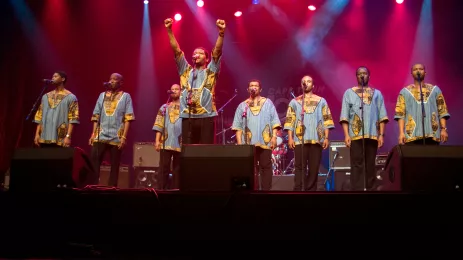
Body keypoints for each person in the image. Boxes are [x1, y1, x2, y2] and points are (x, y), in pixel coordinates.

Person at [164, 17, 226, 145]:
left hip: (207, 116)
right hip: (188, 116)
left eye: (200, 53)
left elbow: (217, 52)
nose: (196, 54)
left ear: (207, 59)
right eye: (194, 53)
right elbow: (176, 51)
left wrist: (221, 33)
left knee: (206, 151)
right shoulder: (185, 71)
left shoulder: (211, 70)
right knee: (187, 151)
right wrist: (169, 30)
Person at [340, 67, 388, 191]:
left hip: (372, 134)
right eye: (359, 73)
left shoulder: (376, 93)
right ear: (356, 76)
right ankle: (357, 190)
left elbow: (382, 115)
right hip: (355, 135)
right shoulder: (349, 93)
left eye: (365, 73)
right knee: (356, 164)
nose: (362, 75)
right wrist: (346, 135)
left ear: (369, 76)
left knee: (370, 164)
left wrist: (381, 135)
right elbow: (344, 116)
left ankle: (370, 189)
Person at [284, 75, 335, 191]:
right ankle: (298, 190)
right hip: (299, 139)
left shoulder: (321, 101)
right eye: (304, 81)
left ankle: (311, 191)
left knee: (314, 167)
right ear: (301, 85)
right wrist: (290, 138)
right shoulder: (295, 102)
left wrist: (326, 137)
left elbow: (327, 119)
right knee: (299, 167)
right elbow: (289, 121)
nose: (306, 83)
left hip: (316, 139)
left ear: (313, 85)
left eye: (309, 81)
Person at [232, 80, 281, 190]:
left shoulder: (268, 103)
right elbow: (238, 127)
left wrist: (274, 137)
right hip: (248, 144)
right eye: (251, 86)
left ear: (260, 89)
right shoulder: (242, 106)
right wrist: (240, 144)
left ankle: (266, 191)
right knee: (251, 168)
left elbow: (274, 121)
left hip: (265, 141)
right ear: (248, 89)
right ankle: (253, 191)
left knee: (266, 166)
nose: (253, 87)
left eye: (256, 86)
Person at [89, 73, 135, 187]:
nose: (112, 81)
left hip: (117, 135)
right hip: (101, 134)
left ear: (121, 83)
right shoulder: (102, 95)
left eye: (115, 79)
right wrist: (93, 134)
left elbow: (128, 118)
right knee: (94, 162)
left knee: (115, 165)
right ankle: (92, 186)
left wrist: (124, 137)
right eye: (110, 79)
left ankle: (112, 188)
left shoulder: (126, 96)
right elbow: (96, 116)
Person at [395, 63, 450, 145]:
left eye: (420, 69)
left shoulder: (435, 90)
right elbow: (400, 114)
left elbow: (442, 111)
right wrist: (401, 133)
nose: (418, 71)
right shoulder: (404, 92)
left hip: (432, 134)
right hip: (411, 136)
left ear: (425, 72)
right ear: (411, 73)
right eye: (415, 69)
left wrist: (443, 129)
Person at [33, 71, 79, 148]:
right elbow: (39, 116)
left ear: (63, 79)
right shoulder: (46, 96)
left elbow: (73, 118)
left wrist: (68, 136)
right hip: (44, 137)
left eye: (55, 76)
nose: (52, 78)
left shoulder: (71, 97)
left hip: (60, 138)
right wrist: (37, 134)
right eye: (52, 76)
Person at [153, 84, 182, 190]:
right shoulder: (164, 107)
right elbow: (159, 124)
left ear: (181, 91)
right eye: (172, 89)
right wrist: (157, 140)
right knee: (163, 168)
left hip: (180, 143)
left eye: (176, 89)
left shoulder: (185, 108)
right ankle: (161, 190)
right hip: (165, 142)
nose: (174, 91)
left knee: (177, 170)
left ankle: (176, 190)